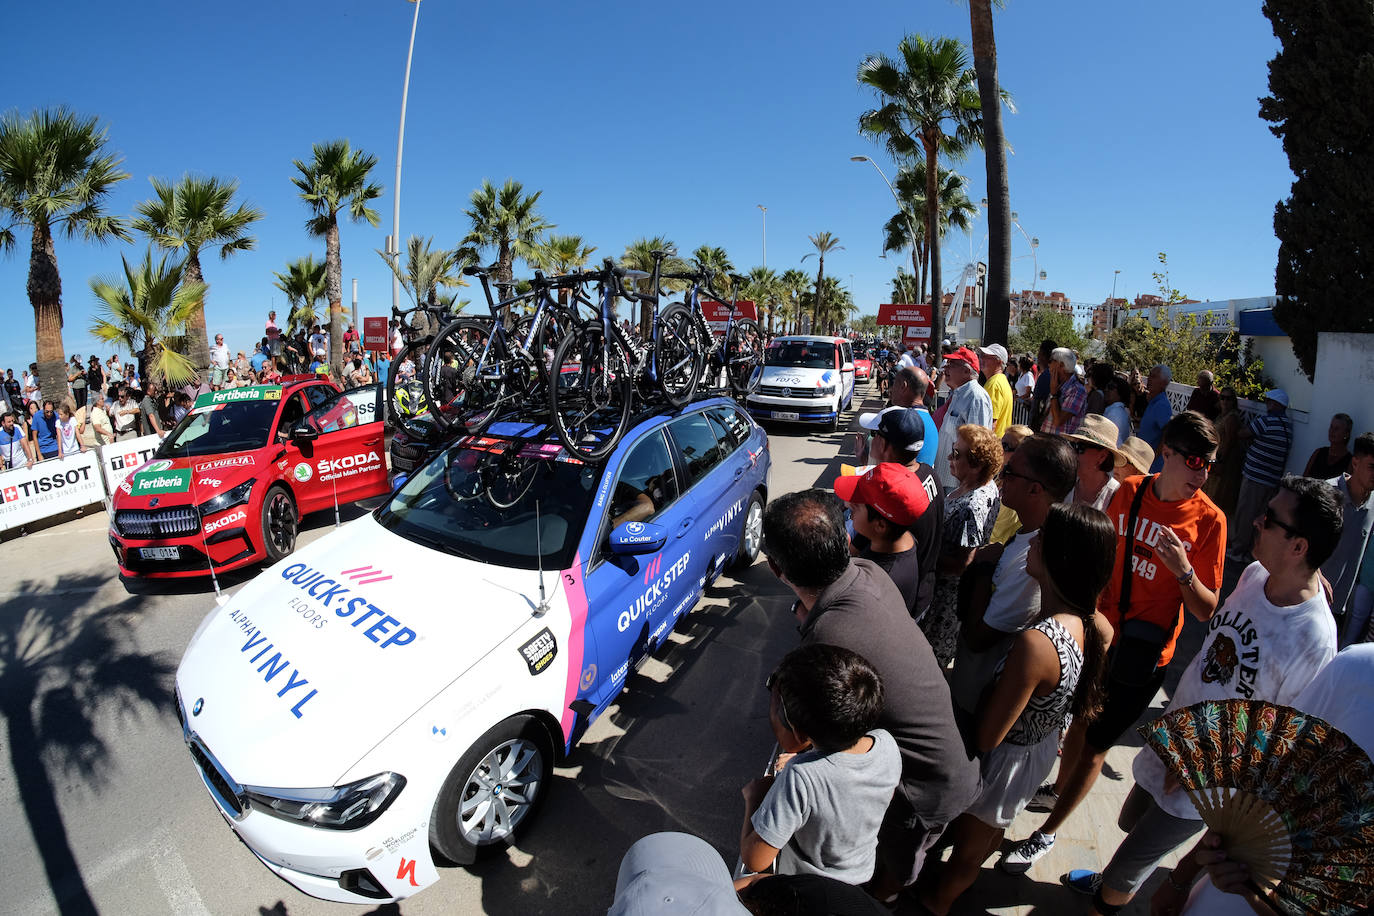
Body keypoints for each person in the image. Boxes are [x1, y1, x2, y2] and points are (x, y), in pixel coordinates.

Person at [1062, 475, 1341, 916]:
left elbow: (1280, 740)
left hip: (1205, 779)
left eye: (1269, 519)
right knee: (1129, 821)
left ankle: (1108, 899)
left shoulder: (1314, 639)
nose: (1256, 521)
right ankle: (1118, 881)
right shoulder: (1254, 574)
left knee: (1127, 867)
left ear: (1299, 547)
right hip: (1171, 739)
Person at [1001, 411, 1227, 875]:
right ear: (1166, 454)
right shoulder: (1130, 492)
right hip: (1100, 634)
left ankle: (1047, 834)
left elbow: (1206, 609)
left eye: (1209, 464)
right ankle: (1058, 791)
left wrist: (1183, 569)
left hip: (1145, 656)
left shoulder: (1210, 521)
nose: (1202, 473)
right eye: (1195, 461)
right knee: (1079, 724)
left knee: (1098, 741)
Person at [760, 490, 980, 903]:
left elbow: (801, 734)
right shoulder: (868, 572)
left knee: (893, 875)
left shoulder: (828, 641)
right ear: (845, 543)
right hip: (948, 763)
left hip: (922, 793)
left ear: (776, 569)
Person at [922, 504, 1115, 915]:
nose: (1032, 542)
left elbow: (989, 735)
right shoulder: (1094, 623)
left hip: (1005, 762)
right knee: (991, 833)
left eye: (1042, 539)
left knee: (968, 853)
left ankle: (936, 905)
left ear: (1059, 559)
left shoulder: (1037, 644)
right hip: (1037, 753)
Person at [1179, 643, 1374, 915]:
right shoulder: (1359, 668)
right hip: (1228, 891)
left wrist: (1260, 899)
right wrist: (1180, 878)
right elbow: (1268, 777)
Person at [738, 643, 901, 885]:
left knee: (741, 886)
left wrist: (755, 798)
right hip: (860, 875)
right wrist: (812, 762)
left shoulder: (800, 779)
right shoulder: (886, 744)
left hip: (810, 886)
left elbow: (754, 859)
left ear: (801, 734)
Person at [950, 433, 1079, 724]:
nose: (1001, 475)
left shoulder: (1033, 560)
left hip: (977, 702)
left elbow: (979, 636)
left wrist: (981, 568)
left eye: (1009, 472)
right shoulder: (1027, 534)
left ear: (1035, 490)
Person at [851, 405, 945, 620]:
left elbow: (852, 549)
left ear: (883, 444)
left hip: (892, 602)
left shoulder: (888, 497)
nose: (870, 439)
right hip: (921, 591)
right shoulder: (929, 474)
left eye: (874, 434)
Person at [921, 424, 1003, 667]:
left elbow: (961, 564)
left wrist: (923, 550)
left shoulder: (974, 505)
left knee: (930, 663)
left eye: (957, 454)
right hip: (939, 591)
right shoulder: (974, 486)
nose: (949, 457)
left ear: (977, 465)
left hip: (946, 603)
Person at [835, 462, 932, 619]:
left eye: (855, 508)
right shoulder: (905, 538)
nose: (849, 510)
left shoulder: (874, 582)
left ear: (880, 525)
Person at [1227, 389, 1293, 561]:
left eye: (1269, 401)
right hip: (1272, 479)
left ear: (1276, 404)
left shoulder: (1267, 421)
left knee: (1245, 513)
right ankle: (1250, 551)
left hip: (1256, 477)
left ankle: (1237, 550)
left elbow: (1242, 433)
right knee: (1259, 517)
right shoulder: (1287, 425)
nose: (1267, 404)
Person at [1322, 433, 1374, 646]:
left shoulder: (1373, 505)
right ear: (1355, 462)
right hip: (1305, 600)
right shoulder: (1327, 494)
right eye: (1372, 466)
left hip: (1338, 611)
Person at [933, 347, 994, 492]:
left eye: (952, 365)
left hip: (957, 484)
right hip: (946, 477)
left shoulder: (976, 397)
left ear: (967, 371)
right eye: (946, 364)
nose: (945, 368)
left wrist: (968, 485)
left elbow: (978, 445)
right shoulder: (958, 393)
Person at [1066, 414, 1125, 511]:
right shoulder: (1066, 485)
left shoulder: (1116, 495)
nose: (1072, 452)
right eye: (1072, 445)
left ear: (1102, 456)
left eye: (1080, 447)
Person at [1202, 387, 1245, 517]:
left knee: (1218, 495)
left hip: (1225, 461)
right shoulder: (1221, 415)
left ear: (1233, 401)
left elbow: (1230, 441)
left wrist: (1220, 461)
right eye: (1222, 397)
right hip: (1216, 457)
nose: (1225, 401)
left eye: (1228, 398)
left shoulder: (1232, 417)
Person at [989, 424, 1033, 545]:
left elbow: (997, 534)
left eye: (1005, 446)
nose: (999, 449)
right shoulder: (1000, 476)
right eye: (1000, 443)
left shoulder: (1018, 490)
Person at [1137, 365, 1175, 472]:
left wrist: (1155, 455)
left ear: (1164, 383)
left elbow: (1168, 433)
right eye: (1149, 375)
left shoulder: (1161, 405)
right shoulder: (1154, 401)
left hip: (1151, 467)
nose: (1149, 379)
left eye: (1153, 376)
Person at [1042, 347, 1088, 436]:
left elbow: (1058, 421)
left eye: (1051, 361)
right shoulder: (1059, 385)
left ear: (1061, 365)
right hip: (1047, 442)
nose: (1049, 364)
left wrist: (1054, 394)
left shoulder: (1077, 390)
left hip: (1058, 446)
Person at [1302, 411, 1354, 480]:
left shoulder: (1349, 462)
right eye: (1331, 427)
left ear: (1346, 434)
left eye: (1336, 429)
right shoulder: (1318, 453)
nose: (1331, 431)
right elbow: (1303, 479)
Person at [977, 343, 1013, 436]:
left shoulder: (994, 384)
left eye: (987, 356)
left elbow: (991, 424)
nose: (982, 359)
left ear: (999, 362)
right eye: (981, 356)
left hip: (992, 444)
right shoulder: (1001, 380)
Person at [1030, 340, 1056, 431]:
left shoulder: (1045, 377)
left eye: (1039, 353)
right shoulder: (1054, 375)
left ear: (1042, 355)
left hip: (1040, 430)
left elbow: (1038, 408)